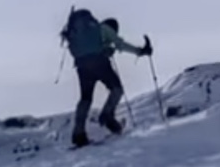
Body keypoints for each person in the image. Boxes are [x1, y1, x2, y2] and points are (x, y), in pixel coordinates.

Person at [60, 9, 153, 147]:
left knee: (85, 98)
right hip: (99, 63)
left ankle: (78, 133)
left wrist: (105, 48)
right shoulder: (105, 29)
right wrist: (140, 51)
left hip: (82, 66)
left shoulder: (85, 32)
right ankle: (107, 116)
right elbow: (120, 44)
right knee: (117, 89)